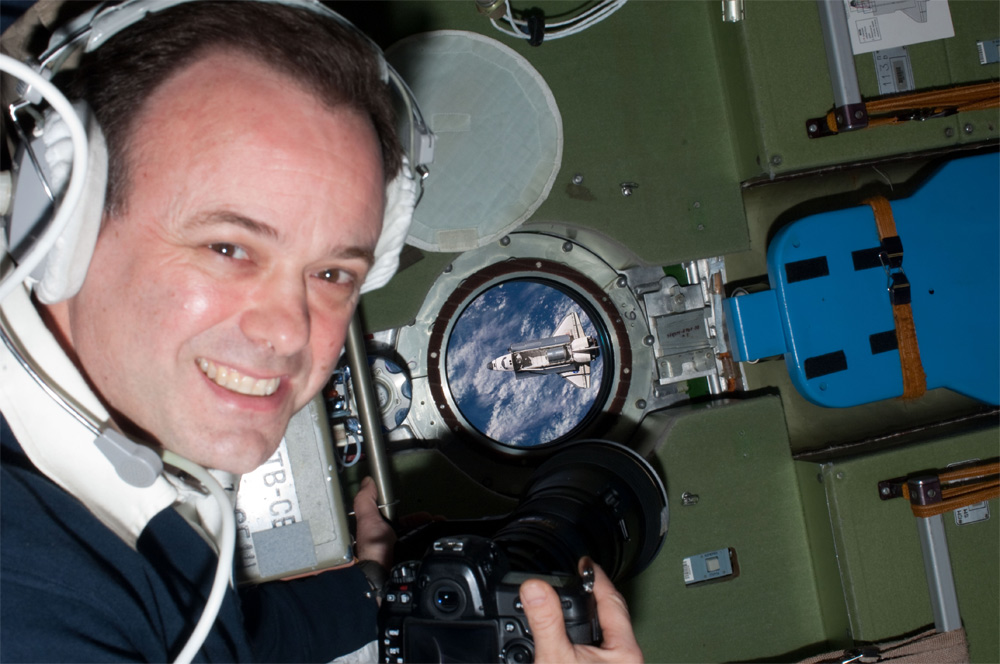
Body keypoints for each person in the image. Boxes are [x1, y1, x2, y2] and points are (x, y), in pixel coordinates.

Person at [0, 1, 643, 662]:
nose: (287, 330)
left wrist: (381, 589)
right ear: (61, 214)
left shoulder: (100, 504)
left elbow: (227, 639)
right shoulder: (32, 602)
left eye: (334, 273)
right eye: (229, 248)